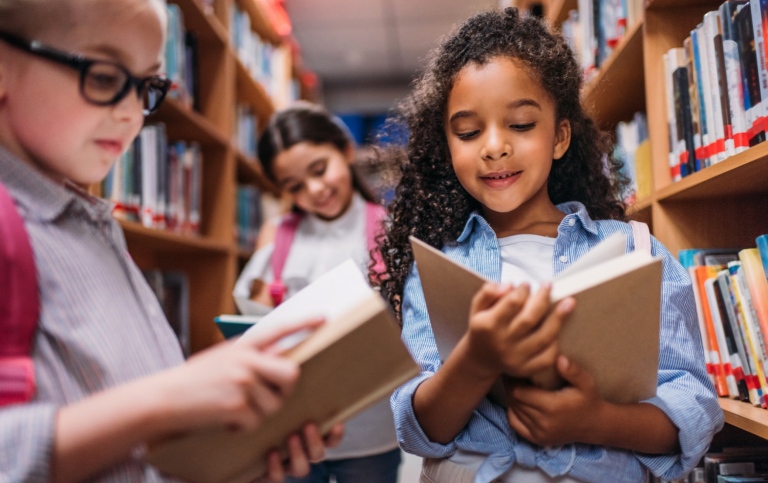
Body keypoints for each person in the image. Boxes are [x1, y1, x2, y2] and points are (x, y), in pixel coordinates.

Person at [375, 8, 724, 483]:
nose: (494, 147)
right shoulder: (439, 267)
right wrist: (475, 361)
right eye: (469, 131)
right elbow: (417, 427)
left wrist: (595, 420)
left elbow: (692, 409)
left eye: (520, 124)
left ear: (559, 137)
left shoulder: (634, 251)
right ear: (447, 146)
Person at [0, 1, 342, 481]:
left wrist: (235, 454)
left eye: (147, 87)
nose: (131, 117)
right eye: (102, 77)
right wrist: (169, 399)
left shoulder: (94, 227)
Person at [233, 102, 402, 483]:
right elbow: (255, 324)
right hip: (293, 431)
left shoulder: (389, 230)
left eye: (320, 169)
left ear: (344, 150)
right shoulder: (276, 237)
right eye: (294, 186)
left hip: (369, 431)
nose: (315, 189)